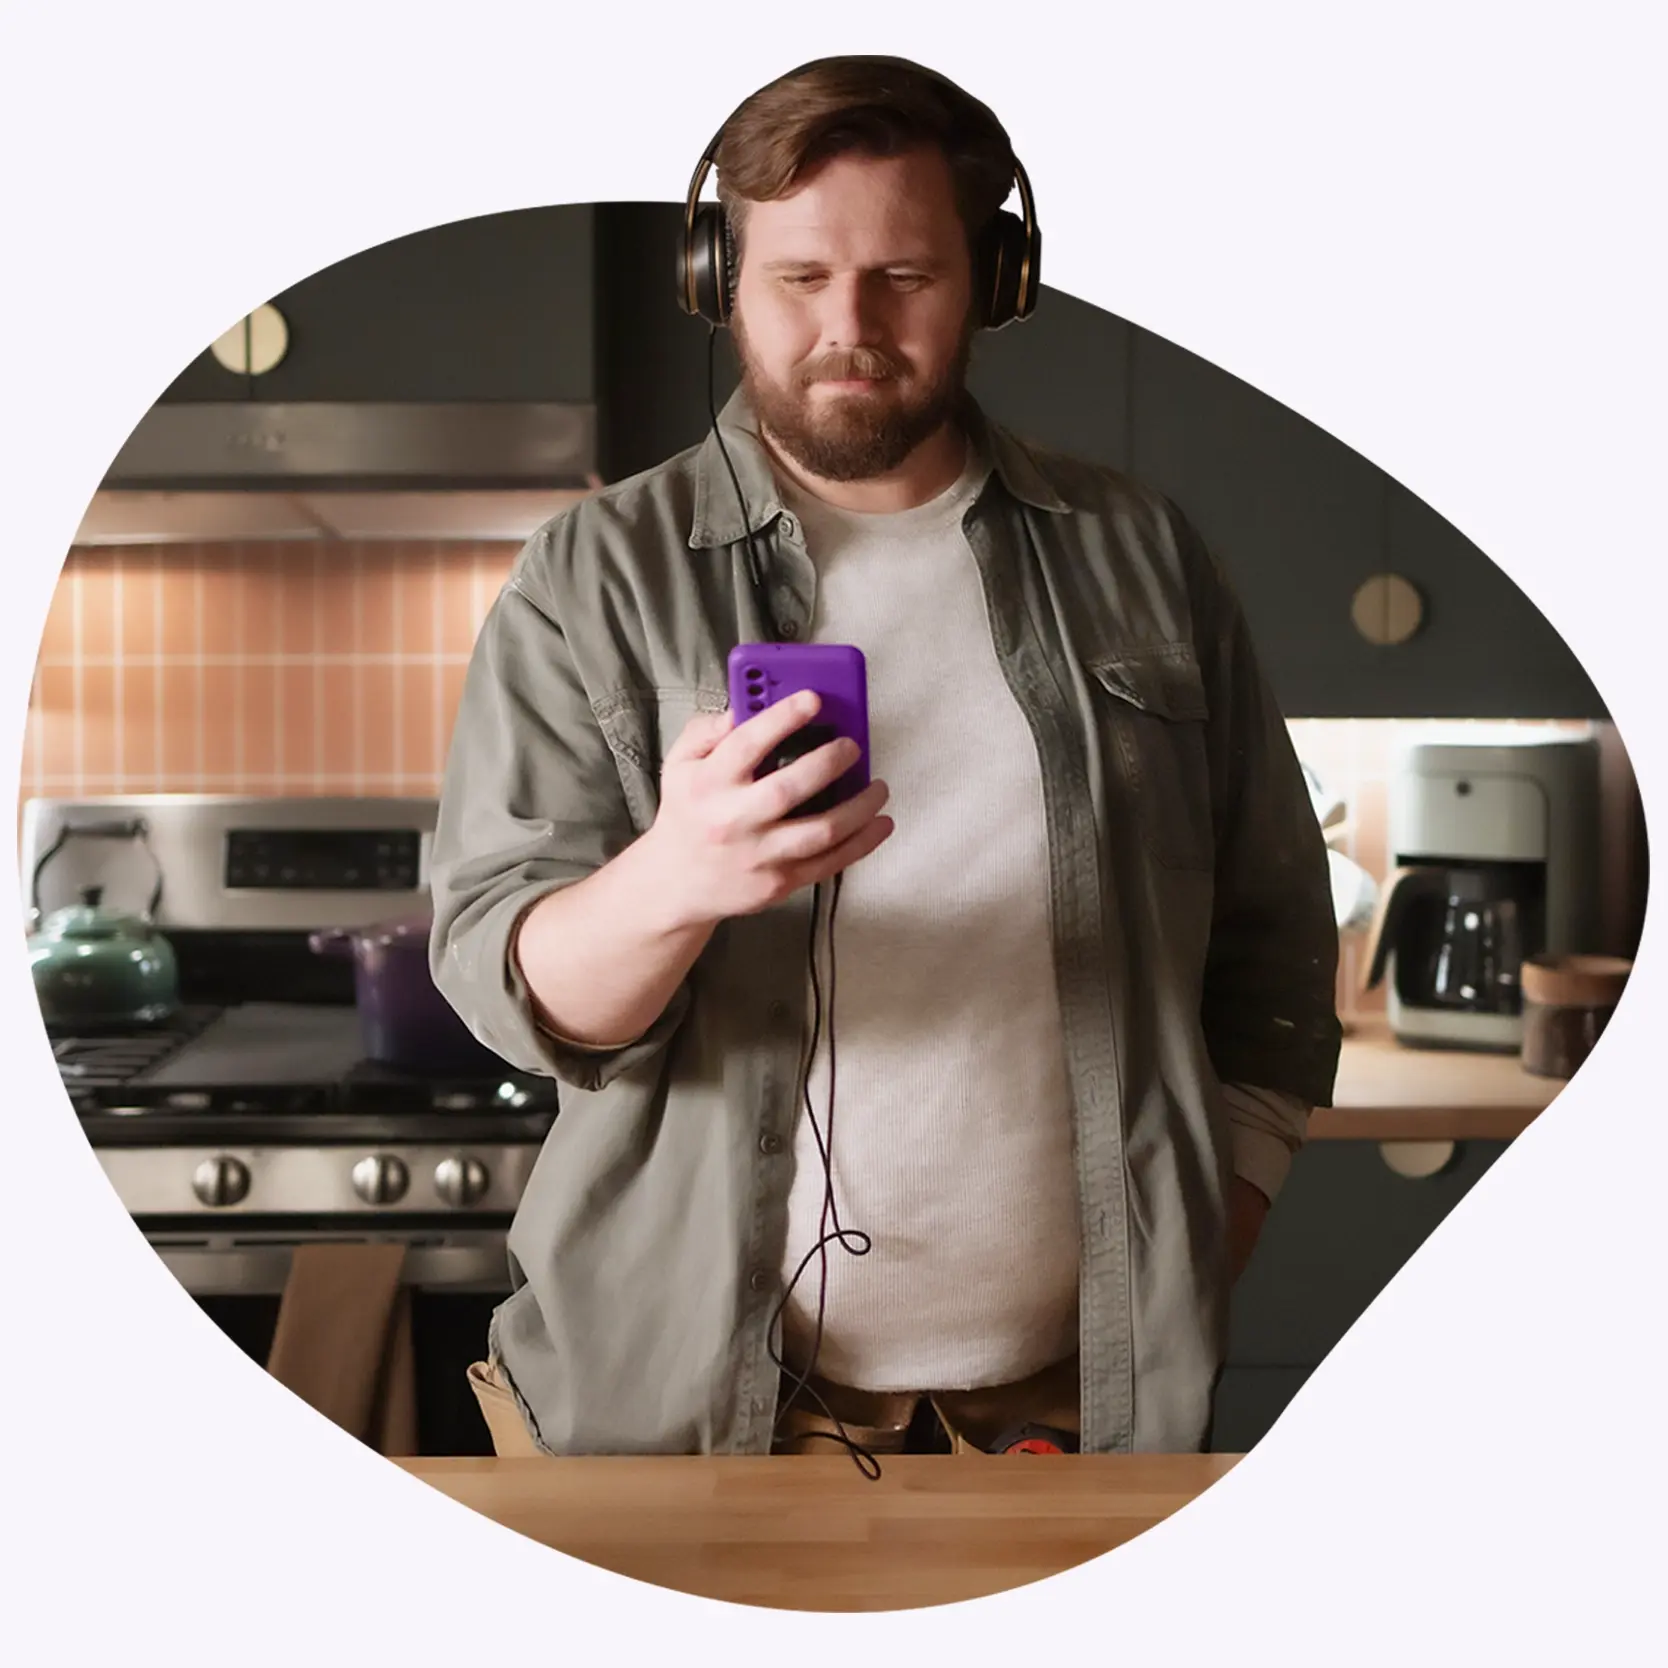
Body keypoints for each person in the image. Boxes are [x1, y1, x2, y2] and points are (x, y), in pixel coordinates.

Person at [430, 54, 1341, 1461]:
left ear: (993, 280)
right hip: (672, 1419)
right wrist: (676, 877)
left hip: (1076, 1414)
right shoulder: (592, 576)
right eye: (799, 277)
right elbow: (514, 988)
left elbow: (1273, 954)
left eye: (904, 276)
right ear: (719, 278)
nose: (847, 328)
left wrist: (1208, 1234)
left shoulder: (1142, 554)